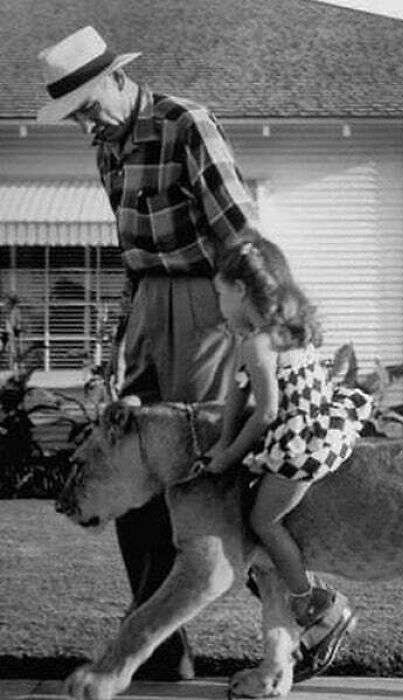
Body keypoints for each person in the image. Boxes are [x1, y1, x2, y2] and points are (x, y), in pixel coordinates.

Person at [36, 26, 258, 679]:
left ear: (115, 78)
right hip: (147, 310)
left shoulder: (186, 123)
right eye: (71, 113)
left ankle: (313, 611)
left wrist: (255, 328)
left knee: (195, 475)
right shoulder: (108, 146)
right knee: (125, 467)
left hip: (205, 302)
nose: (83, 123)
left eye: (85, 105)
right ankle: (158, 647)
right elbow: (133, 259)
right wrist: (119, 341)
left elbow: (241, 234)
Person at [202, 236, 372, 630]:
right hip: (322, 428)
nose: (219, 306)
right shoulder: (288, 332)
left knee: (264, 521)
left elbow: (266, 412)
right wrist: (225, 441)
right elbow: (236, 394)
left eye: (221, 294)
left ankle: (312, 601)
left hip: (302, 446)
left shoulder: (258, 344)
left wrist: (227, 456)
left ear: (241, 290)